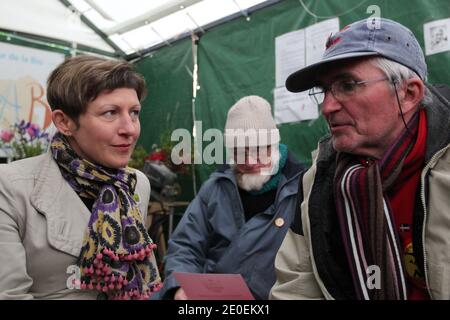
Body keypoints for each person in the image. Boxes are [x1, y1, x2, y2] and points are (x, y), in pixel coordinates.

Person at [270, 18, 450, 300]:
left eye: (348, 85)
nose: (327, 107)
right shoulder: (319, 179)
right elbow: (295, 287)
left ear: (408, 93)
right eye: (324, 90)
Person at [0, 55, 161, 299]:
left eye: (135, 112)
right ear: (64, 122)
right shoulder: (11, 187)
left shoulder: (136, 184)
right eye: (110, 113)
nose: (130, 128)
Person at [156, 95, 307, 300]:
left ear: (274, 143)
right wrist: (179, 287)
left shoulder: (302, 189)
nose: (250, 161)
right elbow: (185, 246)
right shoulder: (215, 188)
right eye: (240, 152)